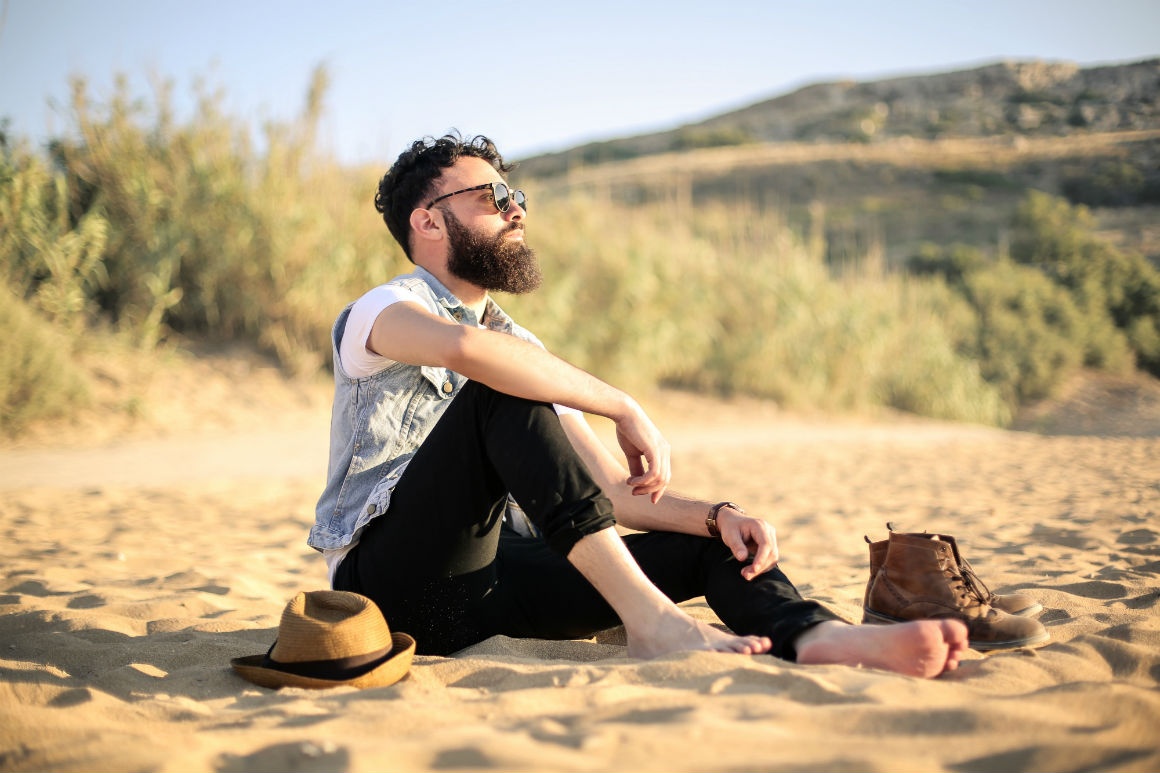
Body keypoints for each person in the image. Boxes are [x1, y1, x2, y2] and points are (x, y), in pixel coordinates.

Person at [309, 133, 968, 678]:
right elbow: (465, 349)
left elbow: (614, 497)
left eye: (520, 199)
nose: (516, 212)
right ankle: (653, 623)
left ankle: (815, 635)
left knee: (714, 548)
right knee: (501, 387)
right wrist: (621, 403)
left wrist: (714, 515)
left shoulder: (520, 347)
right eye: (494, 197)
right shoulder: (384, 310)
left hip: (493, 590)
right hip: (389, 591)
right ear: (427, 220)